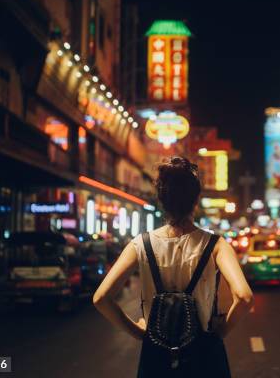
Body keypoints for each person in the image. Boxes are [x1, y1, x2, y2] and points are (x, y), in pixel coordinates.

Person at [93, 156, 253, 377]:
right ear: (196, 200)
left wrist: (141, 333)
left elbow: (101, 298)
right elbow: (244, 297)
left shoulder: (140, 244)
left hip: (156, 356)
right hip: (205, 355)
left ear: (162, 200)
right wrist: (221, 331)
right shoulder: (216, 245)